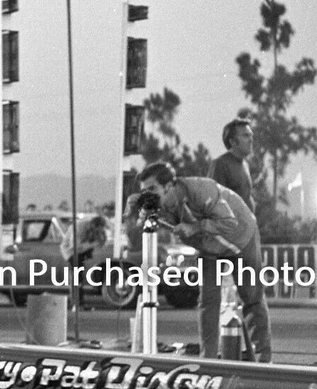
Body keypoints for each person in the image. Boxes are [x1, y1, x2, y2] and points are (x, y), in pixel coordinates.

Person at [138, 162, 272, 362]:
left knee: (251, 298)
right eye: (144, 191)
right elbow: (142, 229)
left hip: (241, 236)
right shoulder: (160, 204)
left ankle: (264, 363)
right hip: (210, 248)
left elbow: (229, 222)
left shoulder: (201, 189)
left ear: (169, 185)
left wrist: (195, 227)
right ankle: (207, 361)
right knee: (208, 301)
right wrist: (143, 219)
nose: (147, 195)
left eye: (152, 189)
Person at [60, 215, 109, 308]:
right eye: (97, 229)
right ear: (93, 225)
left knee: (80, 278)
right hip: (71, 252)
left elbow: (103, 242)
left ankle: (79, 302)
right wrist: (92, 244)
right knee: (76, 277)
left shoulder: (98, 228)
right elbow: (74, 246)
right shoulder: (79, 227)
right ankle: (76, 303)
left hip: (82, 252)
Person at [209, 118, 256, 212]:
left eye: (251, 135)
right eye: (246, 136)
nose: (251, 140)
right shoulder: (221, 164)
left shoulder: (245, 164)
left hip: (246, 225)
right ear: (232, 142)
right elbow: (214, 200)